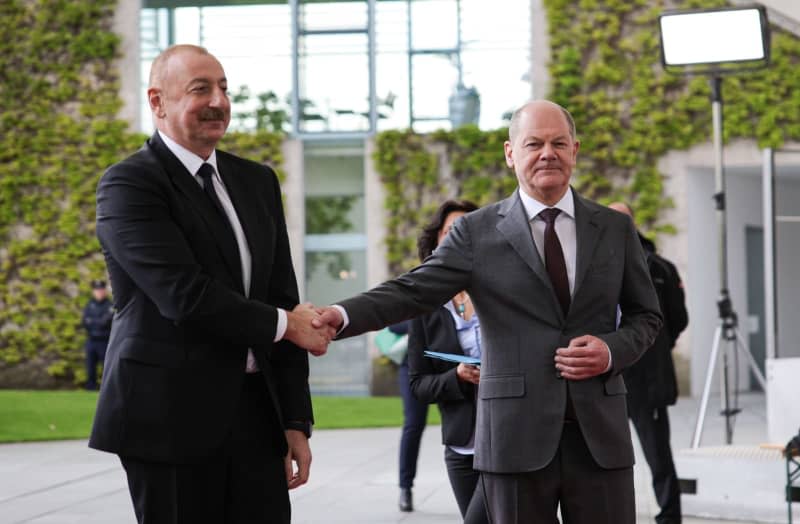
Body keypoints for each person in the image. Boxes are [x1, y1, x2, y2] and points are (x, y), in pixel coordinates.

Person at [314, 100, 663, 523]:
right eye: (533, 143)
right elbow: (412, 290)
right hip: (514, 439)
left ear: (575, 150)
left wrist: (611, 351)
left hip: (598, 439)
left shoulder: (614, 228)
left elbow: (648, 316)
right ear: (510, 153)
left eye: (558, 143)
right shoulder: (475, 232)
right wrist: (341, 315)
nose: (547, 153)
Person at [89, 44, 332, 524]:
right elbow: (184, 295)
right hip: (168, 419)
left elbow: (280, 295)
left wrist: (294, 420)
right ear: (157, 102)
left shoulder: (257, 181)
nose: (218, 100)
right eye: (200, 89)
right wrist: (288, 325)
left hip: (255, 417)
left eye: (224, 88)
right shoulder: (129, 185)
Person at [406, 199, 488, 523]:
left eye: (468, 230)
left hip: (509, 441)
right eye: (450, 231)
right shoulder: (424, 307)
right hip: (461, 447)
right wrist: (457, 376)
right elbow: (417, 384)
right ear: (437, 241)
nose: (458, 237)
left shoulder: (502, 291)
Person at [609, 201, 689, 524]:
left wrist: (651, 349)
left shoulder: (661, 268)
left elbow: (678, 319)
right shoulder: (592, 265)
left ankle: (669, 517)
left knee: (658, 455)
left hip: (648, 381)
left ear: (632, 224)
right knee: (606, 459)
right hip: (607, 379)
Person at [388, 319, 427, 512]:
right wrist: (424, 322)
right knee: (413, 425)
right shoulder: (409, 290)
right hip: (412, 366)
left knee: (457, 422)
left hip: (446, 364)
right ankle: (405, 488)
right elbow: (392, 324)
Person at [81, 279, 114, 390]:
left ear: (105, 291)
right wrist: (98, 322)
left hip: (104, 341)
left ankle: (107, 390)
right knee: (90, 367)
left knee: (107, 368)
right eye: (97, 290)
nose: (99, 292)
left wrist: (94, 321)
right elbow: (85, 322)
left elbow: (105, 322)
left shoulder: (110, 305)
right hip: (91, 340)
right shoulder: (89, 305)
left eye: (101, 290)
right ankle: (90, 388)